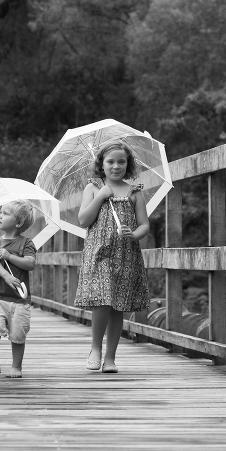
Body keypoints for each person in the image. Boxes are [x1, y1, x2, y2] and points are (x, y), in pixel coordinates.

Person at [74, 141, 150, 373]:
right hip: (100, 252)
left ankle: (110, 357)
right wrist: (100, 197)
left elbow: (145, 225)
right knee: (103, 300)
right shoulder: (94, 188)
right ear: (101, 165)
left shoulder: (134, 192)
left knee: (118, 305)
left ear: (128, 165)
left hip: (126, 254)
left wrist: (133, 234)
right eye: (110, 162)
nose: (116, 166)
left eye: (121, 161)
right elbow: (83, 221)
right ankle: (95, 349)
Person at [0, 200, 37, 378]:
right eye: (0, 212)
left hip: (20, 300)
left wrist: (10, 256)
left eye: (5, 213)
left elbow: (30, 263)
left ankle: (16, 366)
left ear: (19, 222)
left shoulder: (26, 243)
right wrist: (6, 276)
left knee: (18, 334)